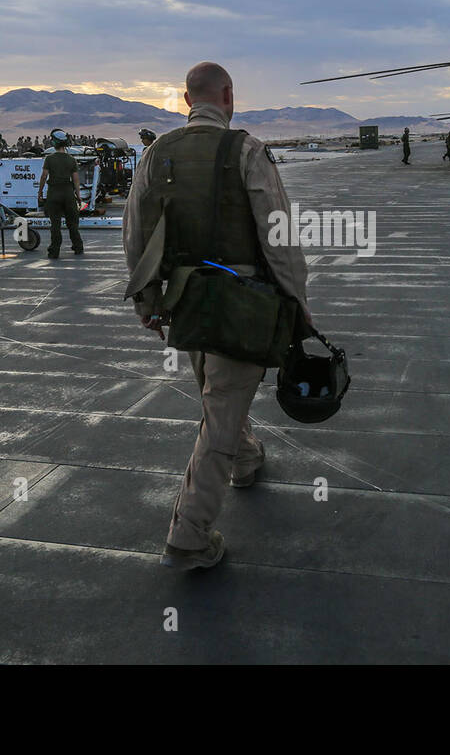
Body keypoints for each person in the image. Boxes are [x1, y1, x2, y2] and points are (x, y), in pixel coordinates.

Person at [123, 61, 310, 571]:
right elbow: (279, 235)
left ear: (187, 101)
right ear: (228, 96)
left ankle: (246, 461)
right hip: (241, 303)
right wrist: (297, 304)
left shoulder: (156, 153)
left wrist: (147, 301)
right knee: (223, 410)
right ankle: (189, 536)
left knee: (217, 393)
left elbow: (136, 233)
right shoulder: (245, 151)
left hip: (186, 300)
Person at [37, 128, 84, 259]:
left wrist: (40, 193)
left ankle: (54, 251)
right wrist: (78, 196)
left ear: (54, 142)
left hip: (54, 193)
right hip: (68, 193)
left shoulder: (49, 159)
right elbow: (75, 179)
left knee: (55, 224)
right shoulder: (71, 159)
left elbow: (44, 176)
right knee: (73, 224)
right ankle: (78, 247)